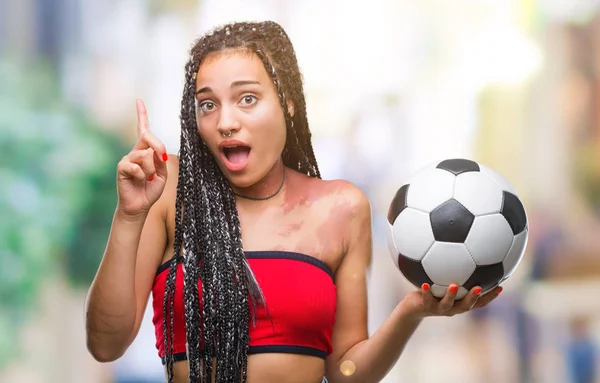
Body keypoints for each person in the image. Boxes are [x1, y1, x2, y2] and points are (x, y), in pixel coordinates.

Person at [84, 20, 502, 383]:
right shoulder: (170, 189)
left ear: (286, 102)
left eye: (247, 98)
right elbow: (105, 344)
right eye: (208, 105)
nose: (225, 122)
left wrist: (412, 310)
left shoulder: (342, 207)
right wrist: (129, 215)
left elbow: (346, 373)